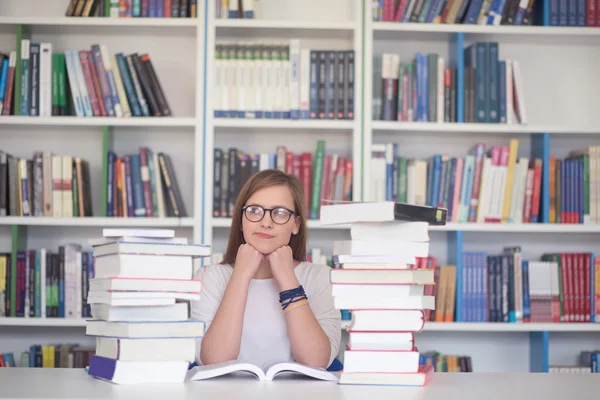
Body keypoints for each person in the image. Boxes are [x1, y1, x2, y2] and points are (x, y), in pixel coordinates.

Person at [191, 169, 341, 369]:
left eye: (279, 213)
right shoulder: (209, 277)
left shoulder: (320, 277)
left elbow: (317, 361)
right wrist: (241, 275)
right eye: (254, 211)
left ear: (296, 224)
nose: (265, 223)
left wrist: (287, 278)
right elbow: (215, 361)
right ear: (241, 221)